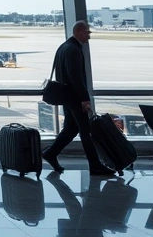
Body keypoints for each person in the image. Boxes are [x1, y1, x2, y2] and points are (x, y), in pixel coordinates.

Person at [41, 20, 115, 176]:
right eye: (87, 33)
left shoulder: (63, 47)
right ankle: (95, 165)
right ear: (80, 31)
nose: (89, 37)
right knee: (86, 132)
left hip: (67, 97)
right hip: (74, 98)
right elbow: (76, 78)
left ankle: (51, 153)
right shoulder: (73, 49)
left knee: (70, 129)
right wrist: (85, 99)